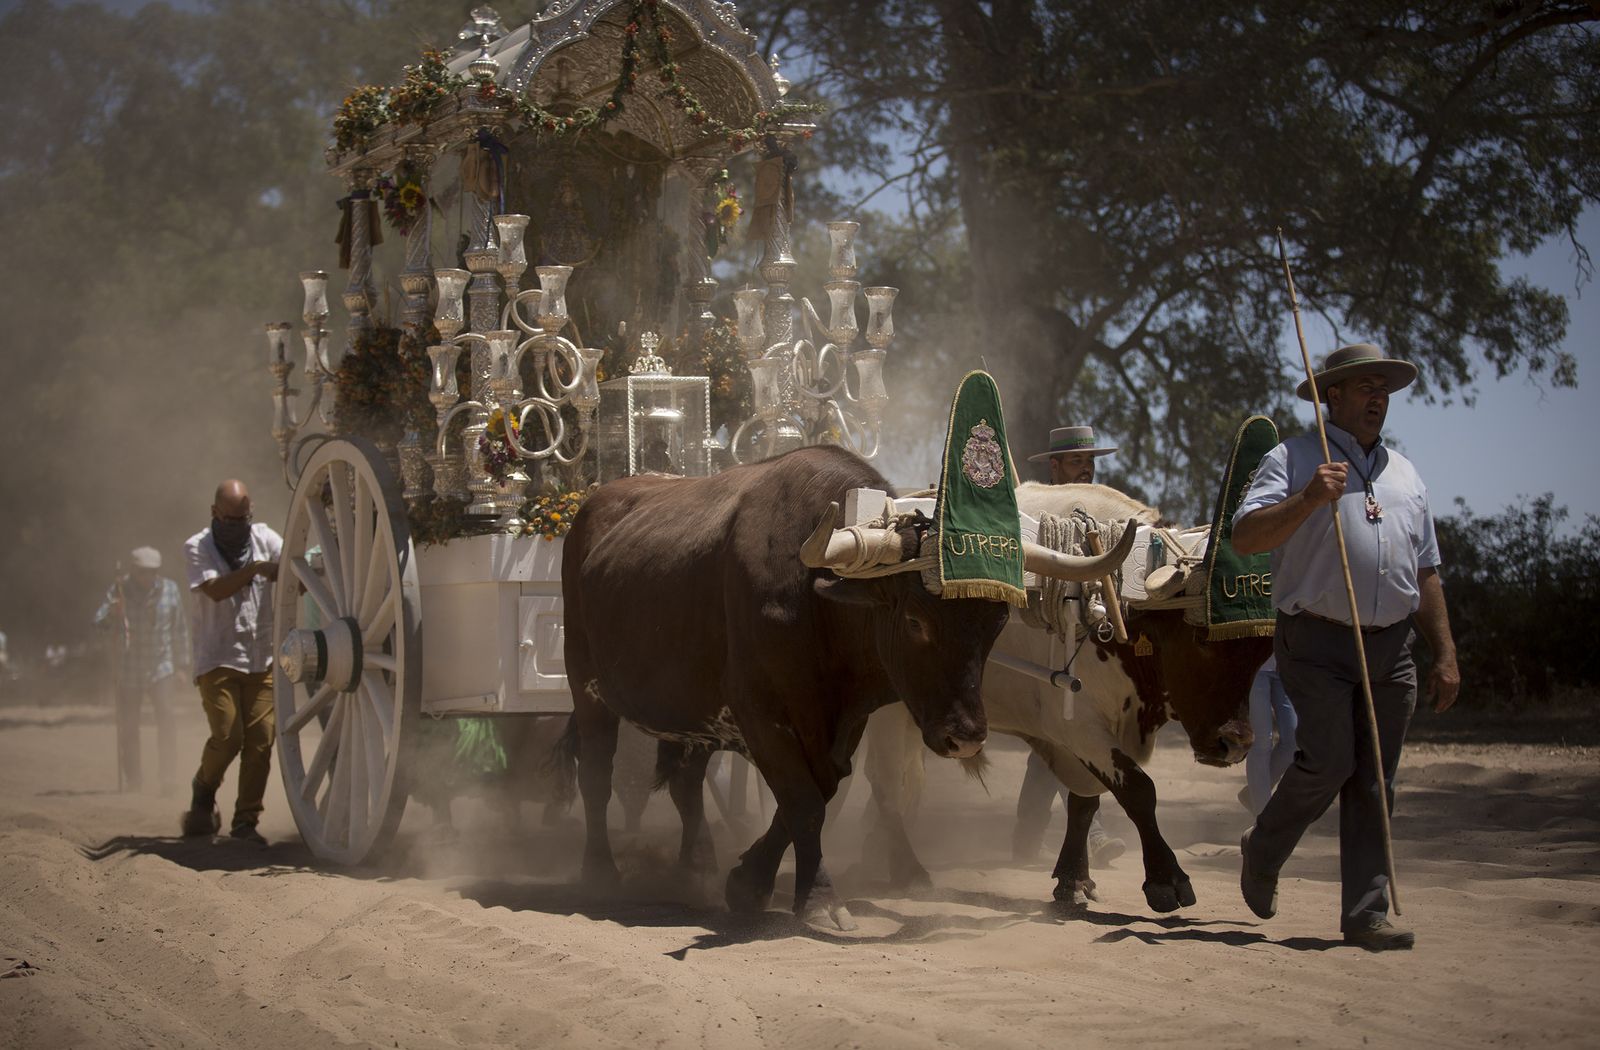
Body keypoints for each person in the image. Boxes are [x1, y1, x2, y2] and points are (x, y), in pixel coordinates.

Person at [1232, 342, 1460, 951]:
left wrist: (1445, 651)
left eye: (1384, 388)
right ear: (1333, 396)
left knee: (1376, 781)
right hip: (1315, 637)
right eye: (1365, 386)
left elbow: (1428, 570)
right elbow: (1246, 537)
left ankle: (1367, 914)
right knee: (1331, 761)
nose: (1378, 397)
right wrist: (1308, 499)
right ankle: (1264, 848)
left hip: (1393, 646)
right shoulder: (1293, 457)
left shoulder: (1407, 474)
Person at [1013, 424, 1126, 866]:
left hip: (1088, 638)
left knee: (1055, 743)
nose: (1087, 470)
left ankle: (1025, 836)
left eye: (1091, 463)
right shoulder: (1032, 513)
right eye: (1078, 462)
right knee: (1067, 736)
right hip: (1042, 634)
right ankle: (1093, 834)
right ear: (1055, 466)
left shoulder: (1103, 513)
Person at [179, 480, 282, 846]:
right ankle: (203, 789)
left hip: (261, 658)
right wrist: (255, 569)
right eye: (230, 518)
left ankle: (245, 822)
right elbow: (215, 591)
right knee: (227, 736)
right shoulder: (198, 548)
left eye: (244, 518)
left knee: (261, 741)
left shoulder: (266, 538)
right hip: (218, 657)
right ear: (214, 514)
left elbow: (291, 570)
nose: (239, 524)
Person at [93, 546, 188, 795]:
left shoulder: (170, 589)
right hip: (129, 668)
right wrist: (112, 614)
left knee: (166, 718)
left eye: (152, 572)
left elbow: (180, 630)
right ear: (134, 571)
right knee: (129, 725)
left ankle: (168, 777)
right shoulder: (119, 590)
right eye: (143, 572)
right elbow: (99, 623)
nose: (148, 577)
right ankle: (133, 778)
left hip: (161, 665)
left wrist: (182, 666)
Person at [1241, 654, 1296, 816]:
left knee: (1294, 741)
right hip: (1255, 668)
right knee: (1262, 740)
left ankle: (1252, 794)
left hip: (1285, 666)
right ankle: (1263, 817)